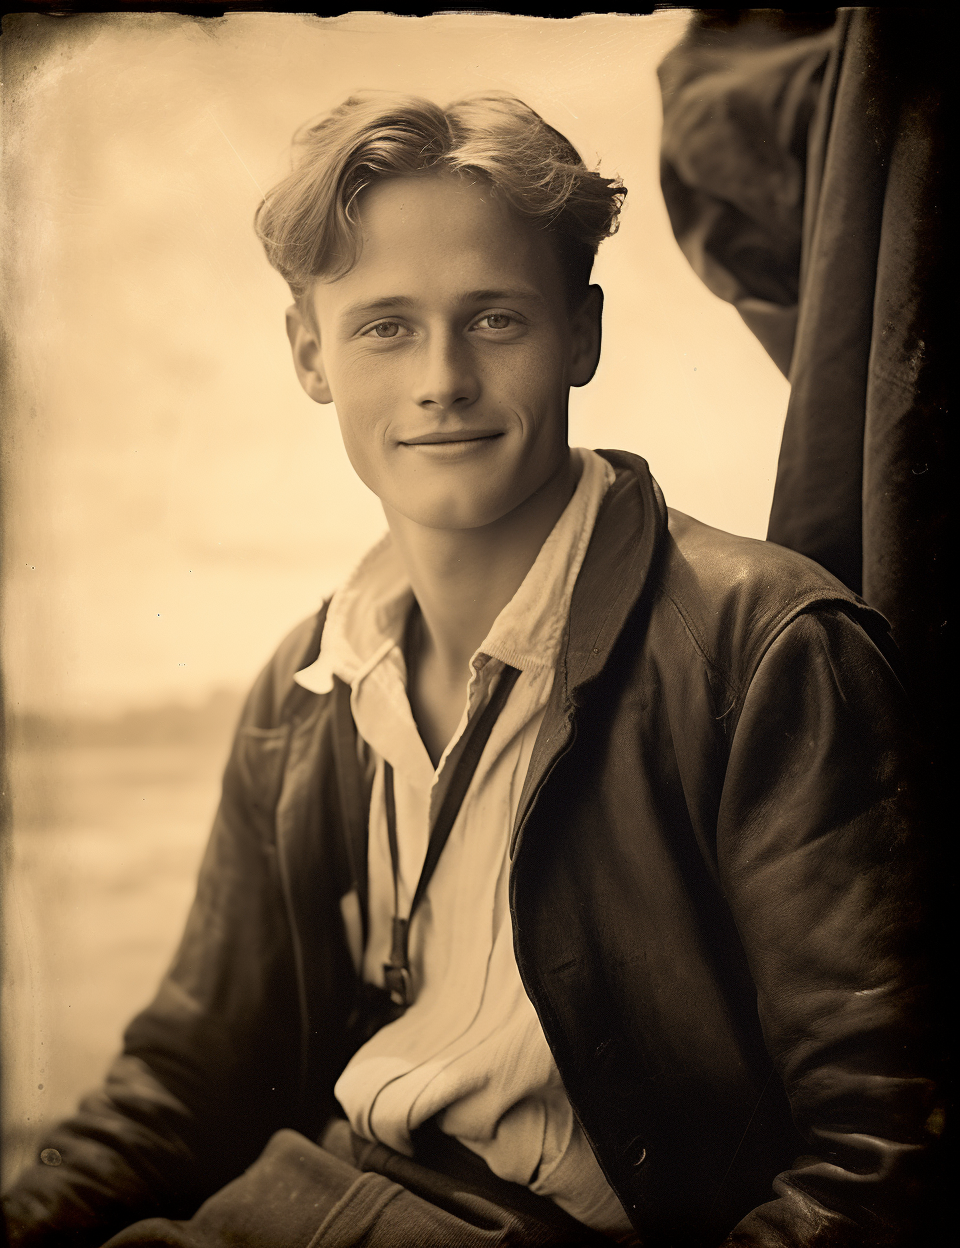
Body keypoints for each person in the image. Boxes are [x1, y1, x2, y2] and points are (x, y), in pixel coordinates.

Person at [2, 93, 939, 1248]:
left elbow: (884, 1154)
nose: (441, 376)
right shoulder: (306, 693)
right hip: (301, 1203)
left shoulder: (767, 650)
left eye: (494, 319)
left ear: (582, 334)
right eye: (385, 326)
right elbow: (182, 1084)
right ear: (310, 353)